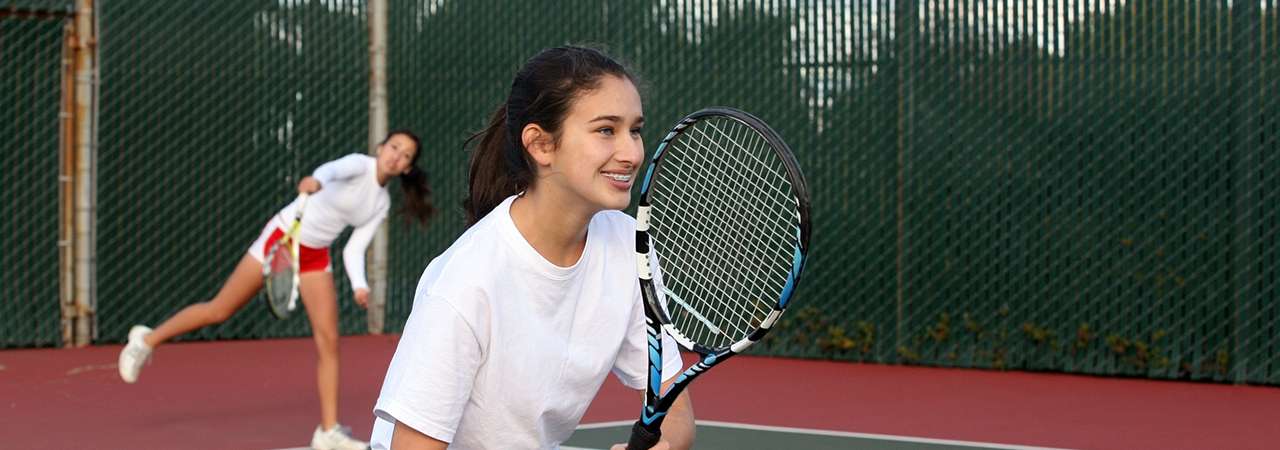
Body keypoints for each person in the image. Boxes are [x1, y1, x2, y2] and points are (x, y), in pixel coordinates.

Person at [369, 46, 695, 450]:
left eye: (635, 129)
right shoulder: (466, 283)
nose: (631, 153)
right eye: (606, 130)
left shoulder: (630, 248)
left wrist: (663, 446)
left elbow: (673, 404)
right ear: (541, 145)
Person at [118, 130, 435, 450]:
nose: (396, 155)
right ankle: (145, 340)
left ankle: (328, 431)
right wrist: (315, 180)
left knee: (329, 341)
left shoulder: (380, 202)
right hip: (284, 237)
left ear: (407, 168)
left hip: (315, 255)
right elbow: (331, 170)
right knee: (220, 309)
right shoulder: (358, 165)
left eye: (405, 155)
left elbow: (354, 250)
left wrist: (360, 285)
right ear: (381, 148)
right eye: (394, 147)